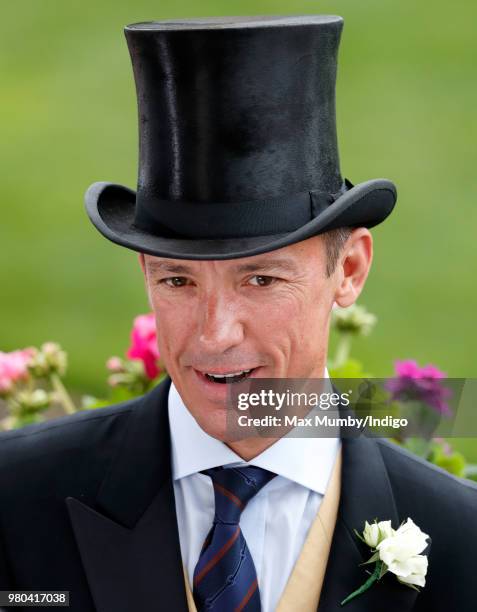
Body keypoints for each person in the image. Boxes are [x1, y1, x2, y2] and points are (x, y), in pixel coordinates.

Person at [0, 15, 476, 612]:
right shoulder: (14, 499)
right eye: (178, 279)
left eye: (261, 279)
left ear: (349, 270)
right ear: (144, 272)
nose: (214, 334)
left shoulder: (463, 539)